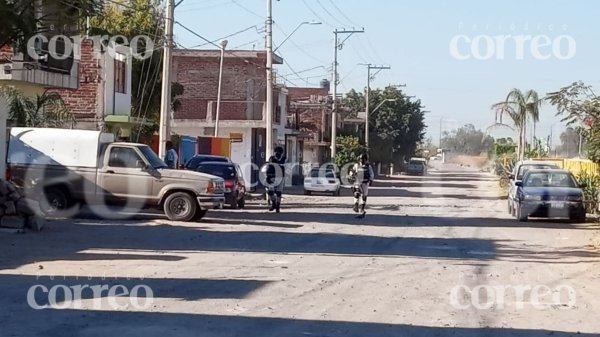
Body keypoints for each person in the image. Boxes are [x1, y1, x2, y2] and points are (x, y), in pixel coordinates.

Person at [265, 145, 286, 213]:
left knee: (278, 192)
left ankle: (277, 206)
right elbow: (269, 166)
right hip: (272, 176)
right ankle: (274, 203)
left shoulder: (283, 158)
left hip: (279, 177)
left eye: (278, 152)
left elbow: (283, 165)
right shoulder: (272, 158)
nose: (277, 153)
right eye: (276, 152)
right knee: (271, 191)